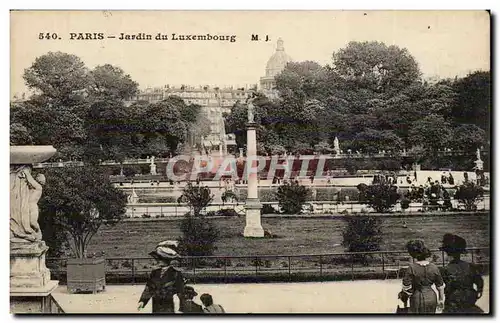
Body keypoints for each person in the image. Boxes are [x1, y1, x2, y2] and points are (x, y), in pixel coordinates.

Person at [439, 234, 484, 313]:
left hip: (454, 300)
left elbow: (446, 288)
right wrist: (480, 290)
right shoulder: (470, 266)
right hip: (470, 298)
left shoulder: (445, 269)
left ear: (447, 252)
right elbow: (479, 280)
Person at [137, 241, 186, 313]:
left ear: (165, 260)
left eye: (159, 259)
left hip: (168, 306)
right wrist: (143, 301)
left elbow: (181, 292)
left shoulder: (175, 274)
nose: (157, 261)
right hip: (156, 305)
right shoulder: (154, 272)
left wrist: (182, 307)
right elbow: (149, 288)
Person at [399, 240, 445, 313]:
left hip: (417, 298)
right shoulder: (434, 267)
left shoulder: (411, 268)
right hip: (432, 297)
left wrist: (403, 295)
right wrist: (441, 300)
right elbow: (440, 286)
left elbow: (407, 288)